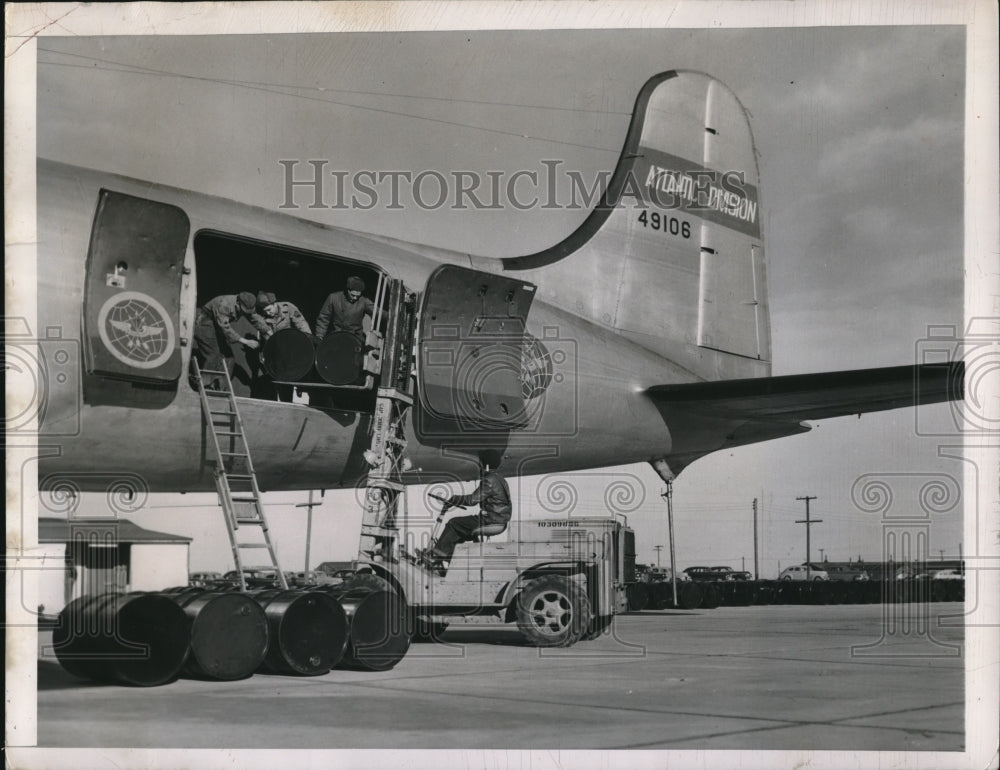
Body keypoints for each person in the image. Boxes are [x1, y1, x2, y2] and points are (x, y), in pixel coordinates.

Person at [417, 454, 512, 564]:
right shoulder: (500, 479)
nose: (479, 468)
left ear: (485, 466)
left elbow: (472, 500)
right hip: (499, 519)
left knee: (454, 523)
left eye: (480, 465)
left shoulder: (489, 480)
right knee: (461, 531)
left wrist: (455, 499)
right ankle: (450, 558)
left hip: (491, 520)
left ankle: (436, 557)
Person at [191, 292, 259, 392]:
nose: (245, 313)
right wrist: (245, 341)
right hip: (203, 321)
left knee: (229, 357)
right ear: (238, 303)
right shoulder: (224, 304)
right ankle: (204, 385)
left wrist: (268, 331)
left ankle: (219, 386)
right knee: (213, 355)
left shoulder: (246, 306)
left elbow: (255, 319)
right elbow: (225, 328)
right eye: (243, 310)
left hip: (215, 325)